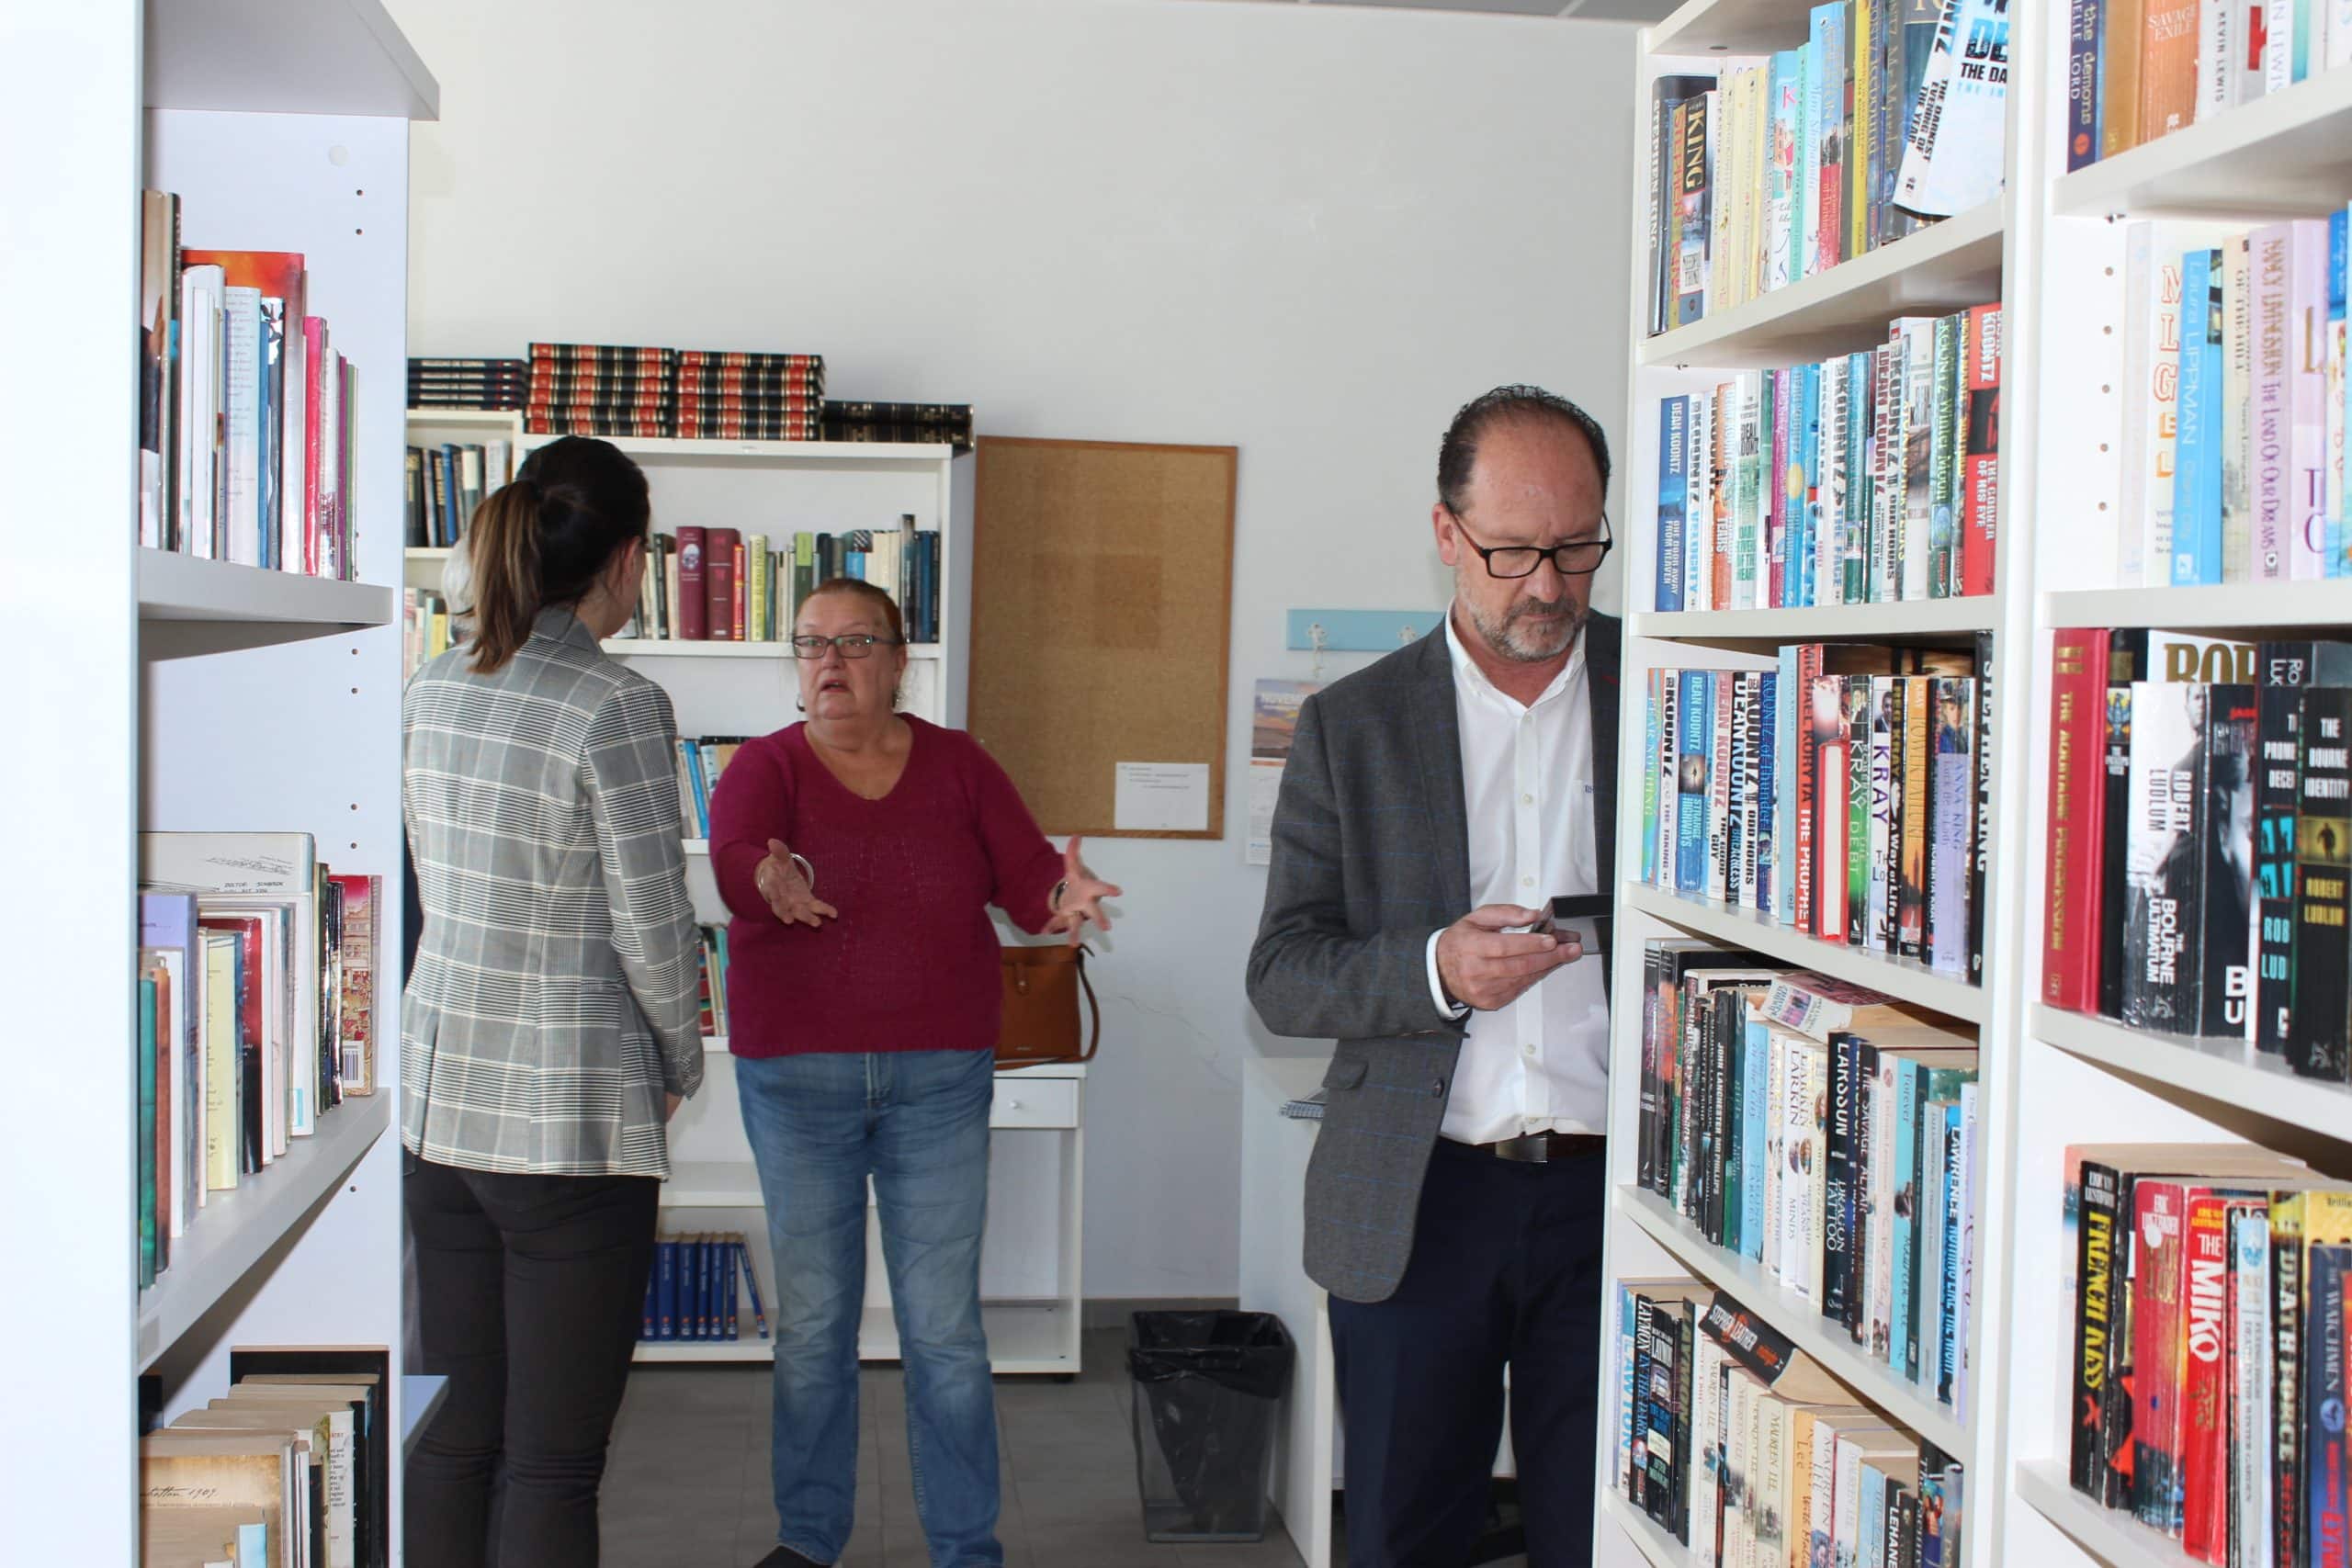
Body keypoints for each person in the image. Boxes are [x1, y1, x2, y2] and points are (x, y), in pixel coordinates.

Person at [1247, 385, 1623, 1568]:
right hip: (1418, 1206)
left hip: (1629, 1201)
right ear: (1446, 534)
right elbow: (1283, 976)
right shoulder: (1351, 725)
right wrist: (1435, 971)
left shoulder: (1682, 692)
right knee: (1406, 1538)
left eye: (1575, 548)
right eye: (1512, 552)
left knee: (1605, 1537)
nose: (1549, 586)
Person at [707, 577, 1122, 1568]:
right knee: (813, 1326)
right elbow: (734, 859)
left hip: (938, 1076)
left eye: (854, 642)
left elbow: (1026, 876)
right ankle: (808, 1541)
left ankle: (965, 1546)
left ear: (900, 661)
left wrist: (1062, 891)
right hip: (798, 1081)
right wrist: (769, 878)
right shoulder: (765, 768)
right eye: (811, 644)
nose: (830, 662)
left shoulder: (959, 764)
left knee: (941, 1328)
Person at [401, 436, 705, 1568]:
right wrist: (680, 1058)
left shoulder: (433, 684)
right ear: (626, 559)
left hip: (441, 1113)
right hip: (568, 1122)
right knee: (551, 1465)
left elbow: (432, 882)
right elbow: (651, 920)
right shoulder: (615, 703)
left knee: (457, 1440)